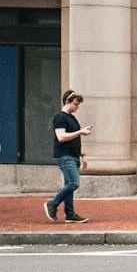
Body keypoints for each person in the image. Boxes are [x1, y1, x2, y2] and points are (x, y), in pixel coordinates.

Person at [44, 90, 94, 224]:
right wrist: (81, 131)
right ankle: (53, 203)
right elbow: (61, 137)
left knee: (69, 185)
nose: (77, 107)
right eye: (76, 104)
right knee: (74, 183)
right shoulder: (60, 117)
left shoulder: (71, 118)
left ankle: (70, 213)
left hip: (72, 155)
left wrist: (82, 154)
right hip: (65, 155)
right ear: (67, 102)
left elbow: (74, 139)